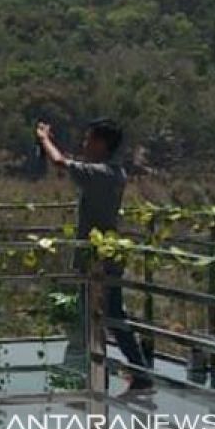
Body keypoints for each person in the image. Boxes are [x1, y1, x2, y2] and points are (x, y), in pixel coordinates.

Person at [36, 117, 155, 397]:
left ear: (102, 144)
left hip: (97, 261)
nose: (84, 143)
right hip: (106, 256)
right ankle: (124, 372)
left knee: (101, 315)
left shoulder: (100, 174)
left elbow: (60, 163)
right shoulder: (114, 172)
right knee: (109, 314)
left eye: (89, 139)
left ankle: (115, 373)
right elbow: (73, 163)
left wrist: (44, 139)